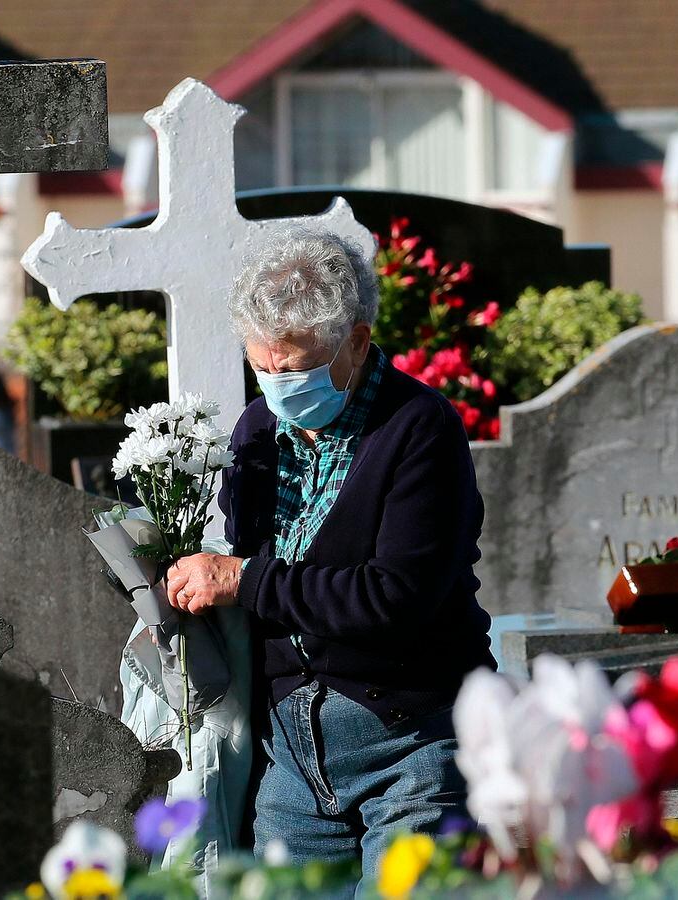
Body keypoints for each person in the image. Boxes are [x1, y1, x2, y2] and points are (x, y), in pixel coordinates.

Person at [165, 230, 495, 885]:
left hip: (411, 738)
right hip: (291, 748)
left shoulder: (418, 429)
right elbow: (264, 584)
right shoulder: (258, 431)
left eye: (296, 367)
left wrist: (244, 580)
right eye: (262, 366)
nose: (278, 384)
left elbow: (394, 596)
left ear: (357, 341)